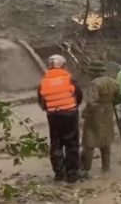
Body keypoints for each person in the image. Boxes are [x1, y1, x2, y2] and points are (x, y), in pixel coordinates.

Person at [37, 54, 83, 183]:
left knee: (56, 144)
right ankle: (72, 175)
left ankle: (59, 174)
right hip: (69, 113)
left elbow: (41, 101)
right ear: (63, 64)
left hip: (52, 115)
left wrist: (50, 110)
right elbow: (79, 95)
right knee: (72, 144)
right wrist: (73, 106)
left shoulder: (44, 81)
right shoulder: (68, 78)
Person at [80, 60, 120, 176]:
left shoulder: (94, 84)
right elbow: (119, 97)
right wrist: (111, 103)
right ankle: (106, 168)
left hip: (96, 114)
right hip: (108, 112)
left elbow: (92, 102)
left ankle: (85, 169)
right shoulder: (113, 82)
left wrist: (85, 113)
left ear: (93, 72)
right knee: (106, 141)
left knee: (89, 143)